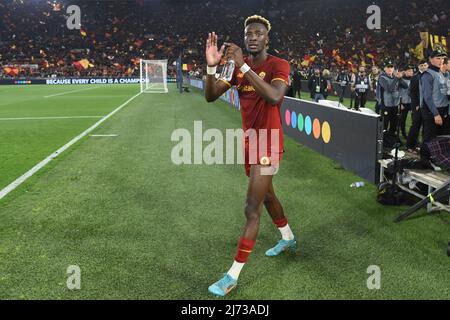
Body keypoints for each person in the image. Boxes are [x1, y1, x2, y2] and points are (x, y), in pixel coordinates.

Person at [204, 15, 297, 297]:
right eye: (248, 34)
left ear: (267, 38)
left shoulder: (278, 65)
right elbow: (210, 96)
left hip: (268, 143)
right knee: (268, 196)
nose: (253, 37)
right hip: (251, 143)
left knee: (251, 208)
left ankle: (231, 276)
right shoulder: (234, 69)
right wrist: (211, 68)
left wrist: (243, 65)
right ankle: (288, 238)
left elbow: (274, 97)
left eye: (258, 33)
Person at [419, 46, 449, 159]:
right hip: (432, 110)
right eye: (438, 58)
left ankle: (435, 158)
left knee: (440, 137)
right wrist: (436, 114)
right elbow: (427, 97)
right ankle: (424, 159)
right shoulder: (428, 74)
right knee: (429, 137)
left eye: (442, 58)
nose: (441, 61)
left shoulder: (442, 73)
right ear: (431, 59)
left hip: (443, 109)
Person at [377, 58, 408, 137]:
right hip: (386, 105)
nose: (390, 69)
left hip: (395, 104)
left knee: (394, 123)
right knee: (385, 124)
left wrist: (400, 78)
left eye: (391, 67)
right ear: (384, 69)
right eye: (388, 67)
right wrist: (396, 78)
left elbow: (405, 86)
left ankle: (391, 139)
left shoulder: (395, 77)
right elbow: (389, 89)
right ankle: (382, 140)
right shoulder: (382, 77)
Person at [406, 60, 428, 153]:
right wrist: (416, 105)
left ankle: (420, 145)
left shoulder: (430, 76)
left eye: (425, 65)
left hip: (427, 105)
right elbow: (412, 93)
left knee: (425, 127)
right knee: (416, 125)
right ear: (418, 66)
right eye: (421, 65)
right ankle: (410, 145)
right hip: (418, 106)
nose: (423, 66)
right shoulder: (415, 77)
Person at [398, 65, 414, 139]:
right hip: (403, 103)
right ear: (405, 72)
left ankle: (412, 135)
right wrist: (399, 103)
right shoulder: (400, 80)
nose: (410, 72)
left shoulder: (414, 79)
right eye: (409, 71)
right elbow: (396, 92)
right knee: (402, 120)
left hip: (412, 103)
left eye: (411, 71)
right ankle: (403, 133)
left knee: (414, 120)